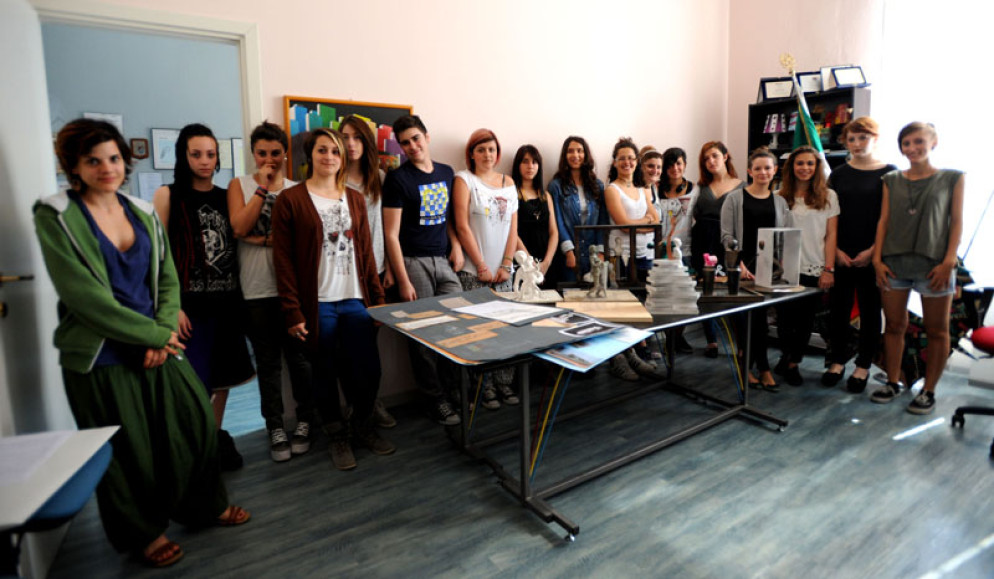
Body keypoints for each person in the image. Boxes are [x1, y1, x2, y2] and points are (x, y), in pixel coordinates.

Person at [35, 119, 249, 568]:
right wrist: (156, 335)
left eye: (113, 158)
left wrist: (163, 329)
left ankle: (203, 505)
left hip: (159, 341)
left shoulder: (140, 211)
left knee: (194, 421)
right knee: (129, 449)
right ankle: (144, 533)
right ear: (73, 166)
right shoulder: (57, 216)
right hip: (102, 354)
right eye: (92, 160)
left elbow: (167, 277)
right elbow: (84, 298)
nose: (106, 168)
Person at [272, 128, 393, 470]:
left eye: (335, 151)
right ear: (310, 155)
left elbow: (366, 252)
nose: (329, 157)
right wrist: (292, 311)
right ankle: (337, 435)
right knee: (323, 373)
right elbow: (283, 261)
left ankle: (362, 426)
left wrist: (377, 299)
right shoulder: (290, 199)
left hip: (355, 299)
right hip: (318, 304)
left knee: (368, 371)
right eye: (322, 150)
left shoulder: (353, 198)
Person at [152, 123, 254, 471]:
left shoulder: (227, 196)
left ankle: (212, 441)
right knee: (193, 383)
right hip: (189, 307)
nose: (205, 161)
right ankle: (189, 448)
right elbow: (158, 255)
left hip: (227, 303)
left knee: (223, 379)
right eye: (196, 154)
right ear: (183, 156)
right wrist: (172, 306)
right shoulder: (167, 195)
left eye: (211, 154)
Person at [227, 121, 315, 463]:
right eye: (262, 153)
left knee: (299, 360)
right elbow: (239, 227)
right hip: (256, 290)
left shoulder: (297, 189)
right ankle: (275, 427)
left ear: (285, 153)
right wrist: (262, 189)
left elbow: (300, 240)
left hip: (292, 290)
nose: (269, 159)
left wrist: (259, 240)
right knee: (268, 365)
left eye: (276, 153)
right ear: (253, 153)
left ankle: (304, 420)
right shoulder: (240, 185)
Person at [870, 122, 964, 415]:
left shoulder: (952, 178)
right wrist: (877, 260)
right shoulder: (891, 179)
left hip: (934, 265)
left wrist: (949, 261)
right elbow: (884, 221)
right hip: (893, 264)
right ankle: (893, 381)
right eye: (906, 143)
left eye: (918, 141)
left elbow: (956, 221)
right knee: (894, 326)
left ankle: (928, 390)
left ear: (933, 142)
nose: (912, 148)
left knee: (937, 330)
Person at [382, 115, 465, 425]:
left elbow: (447, 219)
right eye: (405, 143)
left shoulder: (446, 172)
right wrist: (402, 279)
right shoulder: (397, 179)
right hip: (413, 262)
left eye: (416, 138)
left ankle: (454, 389)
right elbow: (391, 234)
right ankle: (436, 399)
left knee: (456, 325)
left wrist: (456, 245)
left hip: (443, 261)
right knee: (423, 335)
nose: (412, 146)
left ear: (427, 137)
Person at [823, 117, 896, 392]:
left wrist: (873, 252)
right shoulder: (838, 174)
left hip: (874, 253)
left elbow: (891, 218)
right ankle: (837, 361)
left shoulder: (889, 173)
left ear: (875, 139)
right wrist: (835, 251)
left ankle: (863, 365)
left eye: (862, 137)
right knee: (838, 310)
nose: (856, 143)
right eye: (851, 139)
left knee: (870, 310)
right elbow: (828, 216)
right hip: (841, 252)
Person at [453, 129, 520, 409]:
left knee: (506, 330)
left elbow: (513, 228)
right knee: (479, 332)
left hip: (503, 272)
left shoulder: (508, 182)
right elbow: (461, 225)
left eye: (491, 149)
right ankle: (484, 387)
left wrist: (506, 263)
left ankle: (504, 383)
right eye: (480, 150)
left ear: (498, 153)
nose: (487, 155)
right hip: (473, 271)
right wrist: (480, 264)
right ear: (471, 154)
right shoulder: (464, 179)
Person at [339, 114, 397, 429]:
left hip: (377, 273)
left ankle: (371, 403)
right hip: (345, 278)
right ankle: (357, 406)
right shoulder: (334, 180)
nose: (351, 144)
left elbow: (387, 228)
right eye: (345, 137)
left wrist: (388, 268)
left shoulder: (380, 177)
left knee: (370, 348)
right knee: (349, 348)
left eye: (357, 137)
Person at [721, 147, 793, 390]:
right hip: (743, 268)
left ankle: (755, 366)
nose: (763, 172)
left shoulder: (780, 202)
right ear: (750, 171)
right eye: (758, 168)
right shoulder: (734, 198)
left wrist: (783, 266)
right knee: (748, 320)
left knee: (761, 320)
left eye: (768, 168)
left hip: (769, 269)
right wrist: (738, 263)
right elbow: (727, 236)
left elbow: (785, 237)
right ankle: (756, 367)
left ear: (775, 171)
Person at [772, 146, 839, 386]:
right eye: (800, 163)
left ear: (817, 167)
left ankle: (793, 363)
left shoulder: (828, 196)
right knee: (784, 319)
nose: (805, 168)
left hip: (814, 265)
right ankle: (786, 355)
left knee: (804, 321)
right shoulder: (779, 196)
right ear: (791, 167)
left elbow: (831, 235)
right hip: (785, 268)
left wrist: (828, 268)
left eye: (810, 163)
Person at [604, 137, 662, 380]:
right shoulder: (612, 189)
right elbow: (623, 225)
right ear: (615, 162)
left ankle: (637, 354)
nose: (627, 162)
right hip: (620, 255)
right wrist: (644, 222)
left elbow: (656, 221)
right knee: (622, 308)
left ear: (636, 161)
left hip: (644, 253)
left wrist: (640, 224)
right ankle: (620, 359)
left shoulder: (643, 188)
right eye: (622, 158)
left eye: (631, 158)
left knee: (642, 305)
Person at [692, 142, 744, 358]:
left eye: (714, 156)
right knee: (705, 291)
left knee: (733, 292)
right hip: (702, 241)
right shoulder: (701, 187)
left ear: (725, 156)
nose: (710, 161)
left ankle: (741, 345)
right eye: (706, 158)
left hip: (727, 243)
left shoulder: (741, 186)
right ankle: (711, 340)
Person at [655, 147, 697, 354]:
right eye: (670, 164)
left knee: (685, 299)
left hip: (684, 251)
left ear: (685, 165)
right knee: (665, 299)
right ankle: (669, 338)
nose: (675, 168)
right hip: (660, 252)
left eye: (679, 163)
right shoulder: (655, 189)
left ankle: (676, 337)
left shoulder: (695, 189)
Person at [548, 136, 605, 281]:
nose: (575, 155)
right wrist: (568, 251)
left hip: (593, 254)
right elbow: (558, 222)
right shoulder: (556, 186)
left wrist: (601, 251)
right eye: (570, 151)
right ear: (564, 155)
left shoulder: (597, 185)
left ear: (586, 154)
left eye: (580, 151)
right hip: (568, 255)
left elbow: (602, 221)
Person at [512, 144, 560, 289]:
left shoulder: (546, 196)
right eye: (525, 161)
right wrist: (529, 263)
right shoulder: (512, 194)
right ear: (518, 165)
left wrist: (547, 262)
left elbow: (554, 232)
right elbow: (512, 232)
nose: (530, 166)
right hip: (523, 262)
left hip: (547, 263)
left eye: (534, 162)